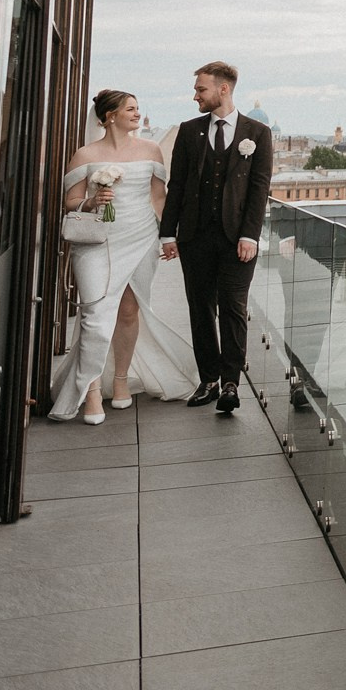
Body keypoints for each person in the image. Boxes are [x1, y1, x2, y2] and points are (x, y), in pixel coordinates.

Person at [49, 90, 195, 422]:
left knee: (129, 312)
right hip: (97, 243)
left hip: (141, 239)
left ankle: (120, 380)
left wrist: (168, 236)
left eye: (137, 108)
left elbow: (159, 198)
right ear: (110, 116)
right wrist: (91, 201)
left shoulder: (151, 150)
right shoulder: (85, 155)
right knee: (96, 316)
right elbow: (70, 202)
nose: (137, 113)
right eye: (130, 109)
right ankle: (90, 392)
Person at [159, 61, 273, 414]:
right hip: (195, 237)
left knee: (233, 308)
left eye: (201, 89)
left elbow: (259, 190)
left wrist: (250, 235)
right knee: (200, 308)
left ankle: (230, 383)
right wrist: (168, 233)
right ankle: (208, 380)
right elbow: (177, 185)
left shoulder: (258, 133)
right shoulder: (189, 131)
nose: (196, 96)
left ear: (223, 89)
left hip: (237, 240)